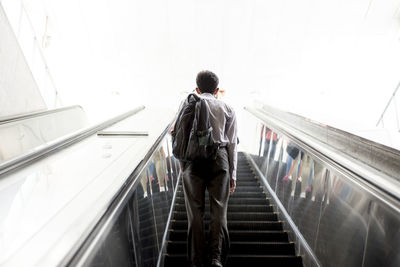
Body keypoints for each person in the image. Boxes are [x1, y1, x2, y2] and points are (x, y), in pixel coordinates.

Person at [179, 70, 238, 267]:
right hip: (219, 158)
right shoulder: (227, 107)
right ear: (217, 90)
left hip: (192, 160)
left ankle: (196, 260)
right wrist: (233, 174)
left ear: (197, 88)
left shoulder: (187, 103)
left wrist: (183, 167)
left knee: (194, 213)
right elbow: (232, 144)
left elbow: (179, 136)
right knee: (219, 210)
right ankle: (216, 258)